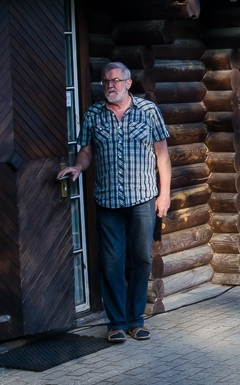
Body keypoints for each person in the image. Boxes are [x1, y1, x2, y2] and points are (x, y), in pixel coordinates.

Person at [58, 62, 171, 344]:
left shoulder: (148, 111)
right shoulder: (94, 114)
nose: (110, 85)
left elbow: (163, 156)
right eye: (106, 81)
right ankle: (117, 323)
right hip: (108, 201)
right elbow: (86, 152)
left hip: (142, 199)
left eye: (116, 80)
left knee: (142, 258)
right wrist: (78, 167)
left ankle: (136, 320)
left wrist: (164, 194)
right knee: (111, 263)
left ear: (128, 83)